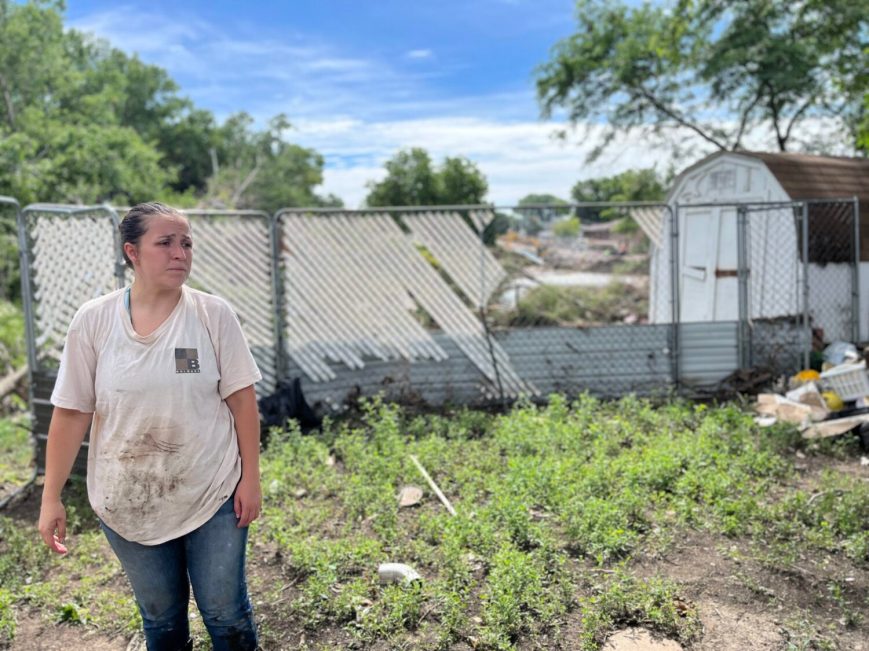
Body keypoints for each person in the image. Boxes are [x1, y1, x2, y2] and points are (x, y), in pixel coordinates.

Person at [37, 202, 263, 651]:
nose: (180, 252)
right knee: (160, 620)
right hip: (127, 500)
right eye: (165, 243)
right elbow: (71, 412)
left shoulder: (212, 315)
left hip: (211, 492)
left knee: (225, 614)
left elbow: (243, 402)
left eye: (186, 243)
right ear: (132, 252)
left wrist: (251, 480)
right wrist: (51, 496)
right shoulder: (94, 321)